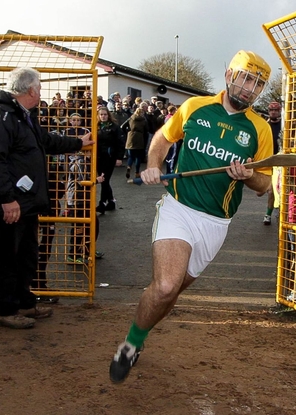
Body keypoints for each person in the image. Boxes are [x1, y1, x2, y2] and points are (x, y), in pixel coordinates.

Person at [109, 50, 274, 383]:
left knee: (170, 291)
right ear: (229, 75)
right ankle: (131, 344)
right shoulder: (195, 107)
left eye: (257, 84)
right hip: (179, 209)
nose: (249, 88)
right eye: (245, 78)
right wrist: (154, 165)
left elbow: (264, 183)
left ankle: (148, 310)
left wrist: (247, 176)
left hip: (217, 223)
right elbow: (163, 138)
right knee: (167, 285)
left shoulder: (260, 129)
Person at [0, 67, 94, 329]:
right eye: (39, 87)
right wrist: (7, 199)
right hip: (11, 204)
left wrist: (78, 142)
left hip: (26, 202)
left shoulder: (23, 116)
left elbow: (46, 141)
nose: (41, 92)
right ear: (30, 90)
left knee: (27, 253)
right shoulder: (1, 115)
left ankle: (23, 302)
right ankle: (5, 310)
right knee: (8, 256)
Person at [95, 107, 125, 214]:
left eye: (105, 114)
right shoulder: (96, 127)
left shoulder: (115, 127)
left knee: (104, 179)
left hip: (109, 157)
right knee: (104, 180)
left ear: (108, 115)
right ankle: (111, 202)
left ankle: (102, 203)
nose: (103, 116)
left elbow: (120, 143)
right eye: (101, 114)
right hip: (98, 157)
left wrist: (119, 157)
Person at [261, 101, 283, 225]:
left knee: (279, 188)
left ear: (279, 111)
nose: (273, 112)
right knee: (271, 190)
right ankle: (268, 214)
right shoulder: (265, 125)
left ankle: (275, 212)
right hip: (269, 160)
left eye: (275, 110)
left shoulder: (283, 125)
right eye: (271, 110)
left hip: (280, 161)